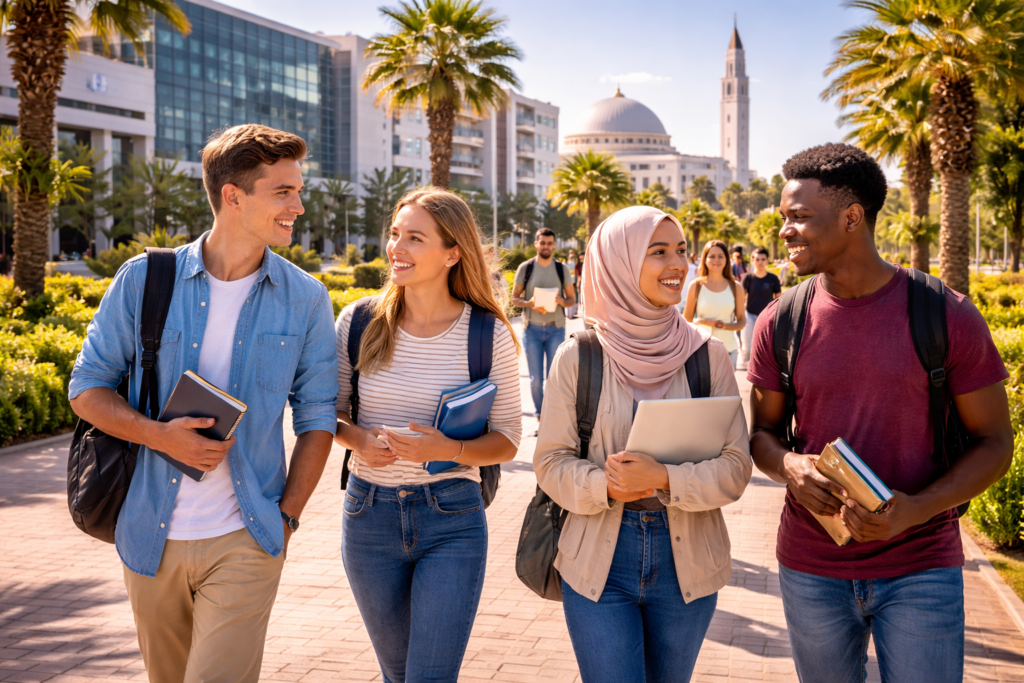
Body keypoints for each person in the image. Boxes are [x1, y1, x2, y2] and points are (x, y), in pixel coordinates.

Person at [67, 124, 340, 683]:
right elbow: (86, 388)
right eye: (283, 191)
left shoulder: (306, 298)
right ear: (233, 196)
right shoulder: (145, 279)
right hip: (149, 535)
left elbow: (316, 418)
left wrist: (286, 518)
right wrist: (156, 434)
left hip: (248, 535)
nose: (299, 205)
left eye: (298, 190)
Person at [748, 143, 1013, 683]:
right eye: (783, 218)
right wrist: (790, 468)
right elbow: (763, 436)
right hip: (810, 567)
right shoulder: (782, 320)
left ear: (852, 218)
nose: (785, 231)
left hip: (922, 568)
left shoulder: (947, 315)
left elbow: (995, 445)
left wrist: (916, 509)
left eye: (799, 217)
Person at [533, 206, 752, 683]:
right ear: (617, 262)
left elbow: (736, 467)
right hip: (597, 560)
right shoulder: (580, 356)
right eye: (657, 252)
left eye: (681, 251)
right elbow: (550, 463)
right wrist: (607, 486)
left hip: (687, 564)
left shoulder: (706, 356)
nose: (677, 265)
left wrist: (663, 478)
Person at [334, 187, 522, 683]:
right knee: (397, 675)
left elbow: (507, 438)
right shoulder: (358, 321)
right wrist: (358, 442)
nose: (397, 247)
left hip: (452, 519)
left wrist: (450, 449)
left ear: (452, 253)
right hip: (367, 516)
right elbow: (326, 415)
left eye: (415, 238)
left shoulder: (487, 333)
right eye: (395, 234)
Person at [511, 227, 576, 418]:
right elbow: (514, 298)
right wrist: (529, 303)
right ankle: (541, 416)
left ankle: (552, 417)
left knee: (554, 378)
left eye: (549, 243)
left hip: (556, 329)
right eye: (542, 243)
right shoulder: (526, 268)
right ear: (536, 244)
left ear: (554, 245)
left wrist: (561, 301)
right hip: (532, 330)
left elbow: (572, 300)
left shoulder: (561, 269)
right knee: (536, 380)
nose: (546, 246)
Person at [683, 240, 746, 369]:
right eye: (711, 256)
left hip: (728, 350)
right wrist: (703, 321)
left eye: (720, 256)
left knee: (726, 389)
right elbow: (686, 321)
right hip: (701, 350)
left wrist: (724, 325)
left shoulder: (736, 287)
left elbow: (741, 322)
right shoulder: (696, 286)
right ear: (704, 259)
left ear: (727, 260)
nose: (716, 260)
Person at [738, 246, 781, 370]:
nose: (760, 262)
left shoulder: (772, 278)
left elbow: (779, 298)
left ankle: (762, 369)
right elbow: (741, 298)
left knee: (767, 345)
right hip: (750, 315)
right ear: (753, 260)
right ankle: (749, 368)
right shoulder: (748, 278)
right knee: (747, 345)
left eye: (763, 259)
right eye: (757, 259)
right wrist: (739, 313)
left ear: (767, 260)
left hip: (768, 317)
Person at [566, 248, 580, 319]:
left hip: (574, 280)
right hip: (570, 281)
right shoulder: (568, 263)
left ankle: (572, 313)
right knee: (570, 296)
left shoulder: (575, 263)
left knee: (574, 296)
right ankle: (570, 314)